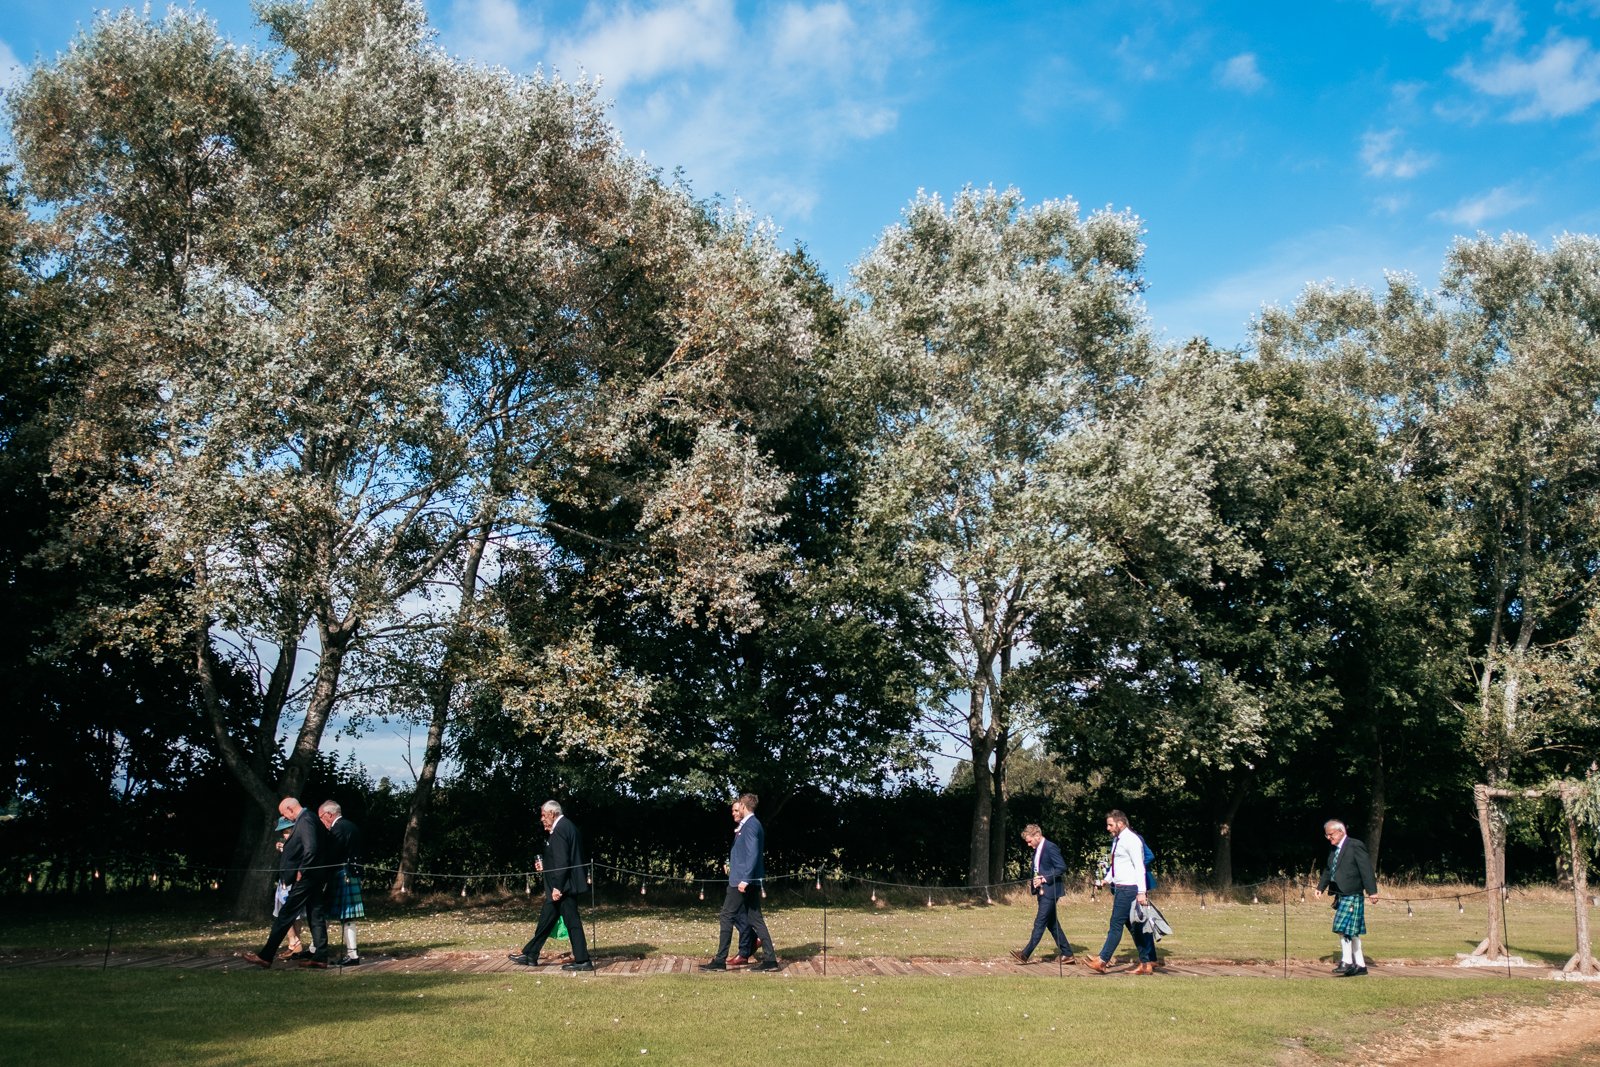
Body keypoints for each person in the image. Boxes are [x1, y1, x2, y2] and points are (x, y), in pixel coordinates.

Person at [242, 797, 331, 968]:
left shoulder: (305, 820)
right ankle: (320, 957)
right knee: (315, 914)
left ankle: (266, 956)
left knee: (285, 914)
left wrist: (301, 871)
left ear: (291, 809)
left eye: (284, 814)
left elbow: (310, 848)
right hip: (314, 876)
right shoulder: (309, 818)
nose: (286, 818)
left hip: (307, 877)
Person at [507, 801, 593, 971]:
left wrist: (558, 888)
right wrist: (545, 865)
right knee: (546, 919)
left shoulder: (560, 829)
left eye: (543, 815)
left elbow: (563, 861)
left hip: (564, 886)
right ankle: (531, 954)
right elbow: (560, 858)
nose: (542, 819)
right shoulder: (568, 826)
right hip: (564, 884)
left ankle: (583, 960)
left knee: (573, 922)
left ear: (552, 814)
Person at [701, 793, 779, 972]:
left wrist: (744, 879)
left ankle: (719, 961)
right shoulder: (751, 825)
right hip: (746, 878)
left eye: (738, 808)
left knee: (726, 916)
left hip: (742, 881)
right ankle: (770, 960)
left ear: (743, 806)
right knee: (755, 919)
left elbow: (752, 854)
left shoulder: (751, 825)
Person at [1084, 809, 1157, 975]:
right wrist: (1106, 880)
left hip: (1128, 889)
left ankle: (1102, 960)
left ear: (1121, 823)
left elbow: (1139, 866)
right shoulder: (1118, 839)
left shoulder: (1131, 840)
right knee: (1133, 928)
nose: (1108, 828)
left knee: (1115, 925)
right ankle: (1146, 964)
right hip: (1121, 887)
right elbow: (1117, 865)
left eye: (1110, 825)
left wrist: (1142, 892)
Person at [1316, 819, 1379, 977]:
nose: (1329, 838)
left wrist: (1372, 891)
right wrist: (1320, 887)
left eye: (1331, 835)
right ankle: (1360, 965)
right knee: (1351, 930)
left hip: (1353, 892)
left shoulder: (1354, 845)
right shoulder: (1334, 849)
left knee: (1342, 927)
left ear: (1340, 831)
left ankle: (1347, 961)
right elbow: (1329, 869)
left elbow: (1366, 869)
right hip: (1341, 894)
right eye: (1326, 835)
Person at [1009, 823, 1075, 965]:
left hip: (1051, 891)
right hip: (1041, 891)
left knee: (1040, 922)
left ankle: (1025, 954)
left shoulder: (1050, 847)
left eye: (1029, 841)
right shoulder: (1038, 848)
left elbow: (1061, 867)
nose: (1028, 844)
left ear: (1037, 836)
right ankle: (1068, 954)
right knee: (1052, 924)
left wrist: (1044, 878)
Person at [318, 799, 364, 966]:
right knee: (345, 917)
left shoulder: (338, 828)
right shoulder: (351, 825)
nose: (322, 821)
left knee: (343, 916)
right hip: (351, 873)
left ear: (329, 815)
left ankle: (351, 956)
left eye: (321, 817)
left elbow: (332, 854)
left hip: (343, 874)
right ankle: (316, 948)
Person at [270, 815, 309, 960]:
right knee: (286, 913)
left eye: (286, 831)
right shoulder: (288, 844)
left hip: (293, 882)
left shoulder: (300, 842)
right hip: (285, 882)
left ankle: (295, 943)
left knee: (290, 914)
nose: (284, 835)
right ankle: (294, 944)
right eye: (283, 832)